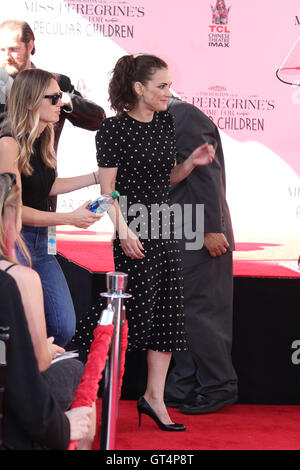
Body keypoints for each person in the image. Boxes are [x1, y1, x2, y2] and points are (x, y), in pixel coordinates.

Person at [94, 53, 215, 431]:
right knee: (131, 323)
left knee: (166, 317)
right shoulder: (112, 130)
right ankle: (101, 398)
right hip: (133, 233)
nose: (168, 92)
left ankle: (154, 398)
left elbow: (166, 179)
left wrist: (190, 163)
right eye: (161, 86)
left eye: (168, 85)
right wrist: (124, 230)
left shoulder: (164, 121)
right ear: (138, 88)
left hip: (163, 227)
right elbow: (106, 191)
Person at [0, 68, 102, 347]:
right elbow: (15, 209)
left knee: (63, 325)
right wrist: (70, 217)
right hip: (13, 244)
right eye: (54, 98)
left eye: (61, 97)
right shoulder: (8, 143)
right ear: (31, 101)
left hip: (41, 243)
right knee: (17, 328)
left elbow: (46, 187)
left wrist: (95, 177)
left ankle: (36, 378)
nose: (62, 104)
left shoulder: (43, 137)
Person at [0, 172, 93, 450]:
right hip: (16, 411)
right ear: (13, 219)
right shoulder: (19, 278)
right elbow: (32, 368)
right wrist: (44, 350)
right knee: (77, 370)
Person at [164, 96, 238, 414]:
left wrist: (211, 228)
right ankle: (184, 384)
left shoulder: (184, 116)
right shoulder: (158, 118)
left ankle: (218, 385)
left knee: (200, 311)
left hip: (201, 234)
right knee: (181, 312)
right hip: (178, 230)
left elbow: (206, 176)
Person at [0, 20, 106, 152]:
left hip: (44, 168)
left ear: (30, 46)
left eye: (13, 49)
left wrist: (60, 97)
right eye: (2, 50)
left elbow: (97, 120)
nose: (7, 56)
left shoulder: (56, 83)